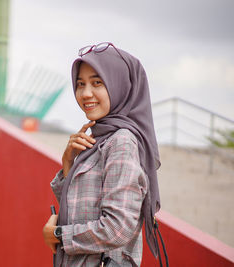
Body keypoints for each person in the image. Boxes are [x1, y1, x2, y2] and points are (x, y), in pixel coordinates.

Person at [42, 42, 161, 266]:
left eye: (97, 83)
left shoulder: (122, 141)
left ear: (119, 86)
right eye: (80, 84)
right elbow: (83, 213)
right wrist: (69, 163)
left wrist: (58, 235)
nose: (86, 93)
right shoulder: (98, 141)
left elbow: (117, 229)